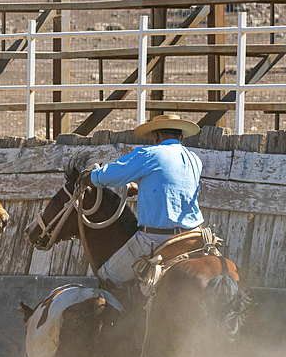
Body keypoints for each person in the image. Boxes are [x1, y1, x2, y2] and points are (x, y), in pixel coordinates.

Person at [79, 114, 203, 303]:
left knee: (108, 275)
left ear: (157, 136)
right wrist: (142, 188)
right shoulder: (194, 159)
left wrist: (88, 178)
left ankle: (126, 325)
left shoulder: (149, 154)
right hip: (193, 235)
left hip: (157, 239)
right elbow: (175, 187)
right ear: (181, 137)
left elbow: (109, 175)